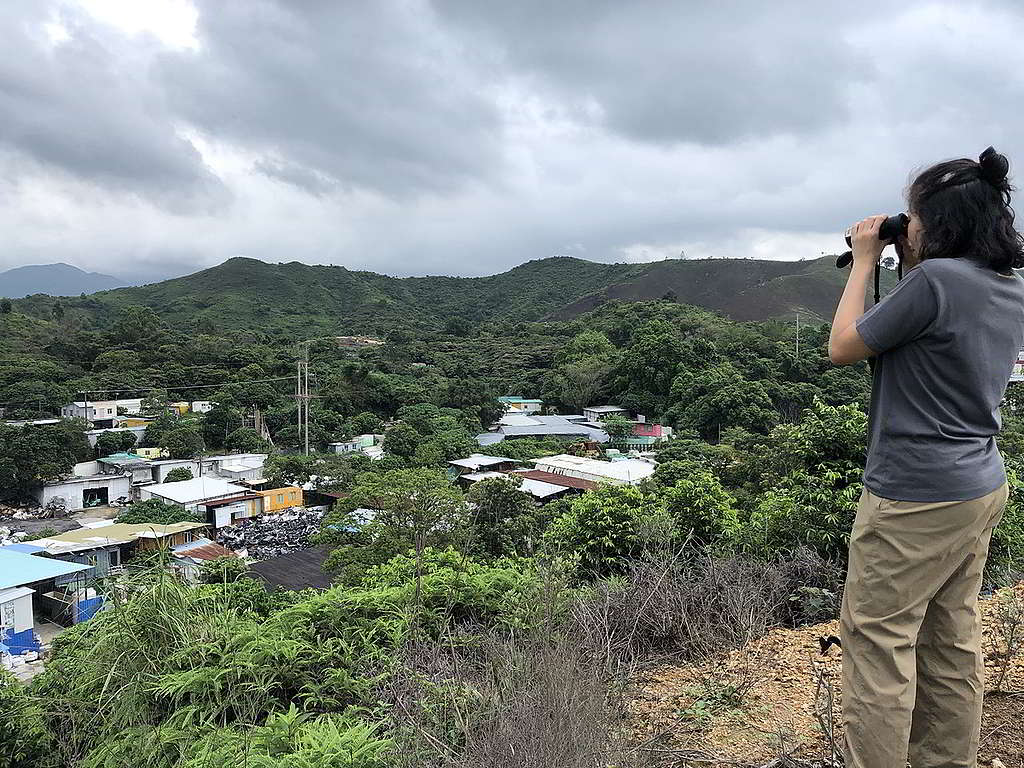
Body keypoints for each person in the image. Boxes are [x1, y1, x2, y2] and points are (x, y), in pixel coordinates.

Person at [828, 147, 1024, 768]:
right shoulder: (1007, 283)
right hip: (977, 485)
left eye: (912, 219)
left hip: (915, 495)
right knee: (950, 636)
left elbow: (843, 347)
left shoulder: (936, 282)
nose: (904, 228)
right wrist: (912, 259)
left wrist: (863, 263)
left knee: (880, 641)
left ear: (937, 224)